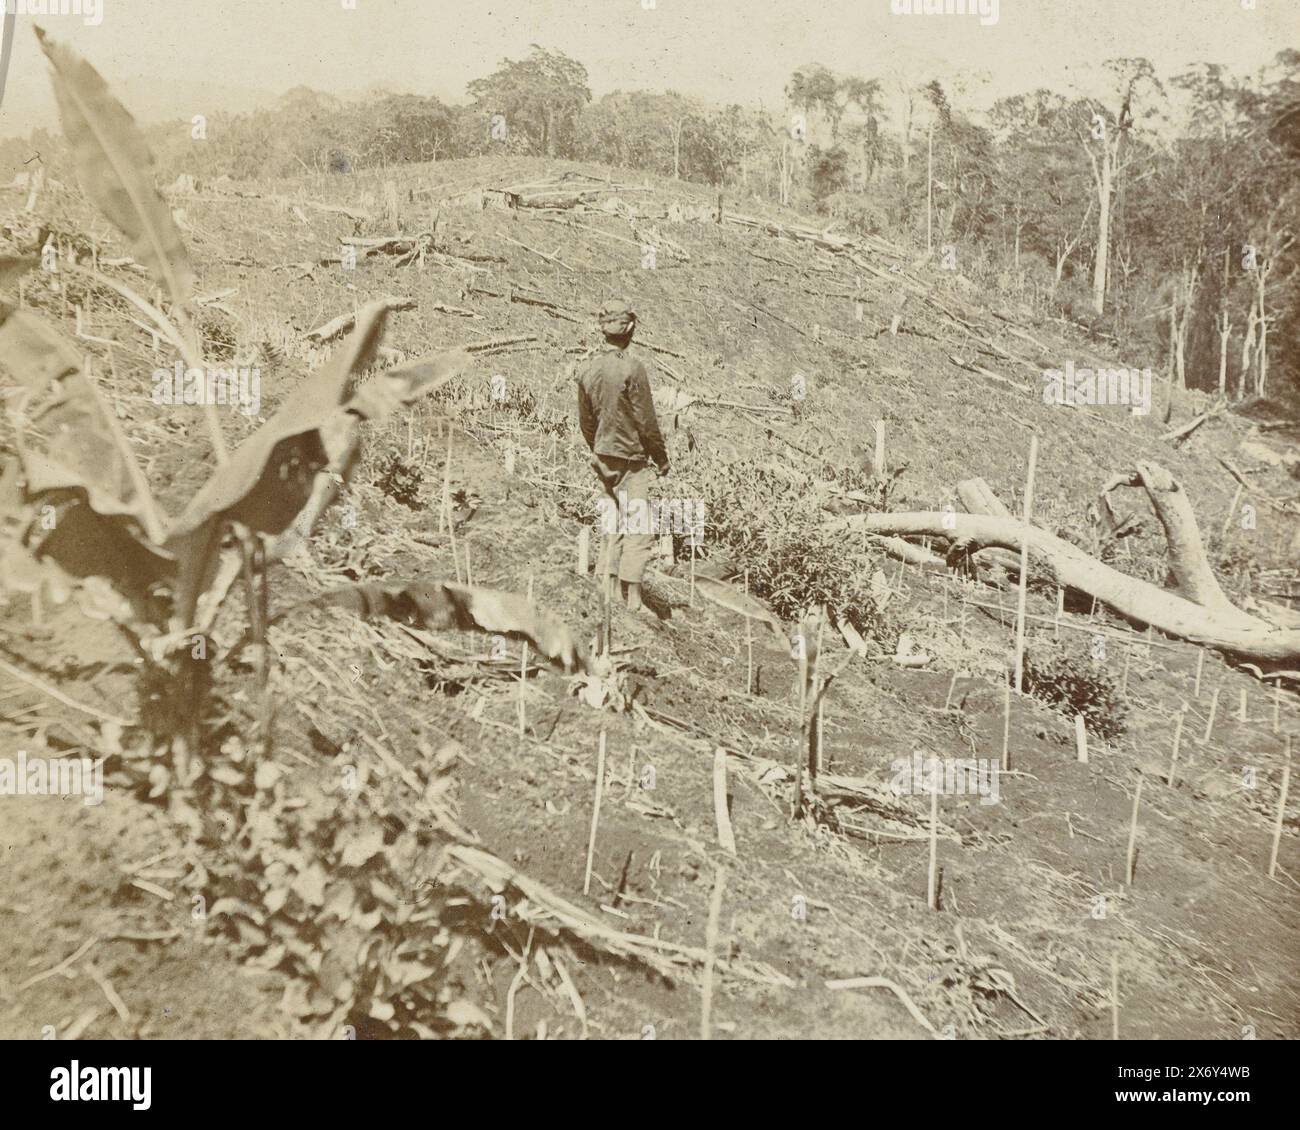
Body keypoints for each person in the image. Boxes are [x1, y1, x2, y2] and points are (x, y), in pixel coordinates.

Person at [576, 298, 669, 614]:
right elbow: (647, 421)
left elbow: (585, 420)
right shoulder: (632, 367)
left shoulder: (587, 367)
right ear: (629, 329)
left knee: (612, 521)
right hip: (631, 459)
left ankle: (610, 587)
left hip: (603, 455)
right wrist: (661, 457)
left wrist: (598, 447)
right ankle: (633, 599)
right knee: (639, 525)